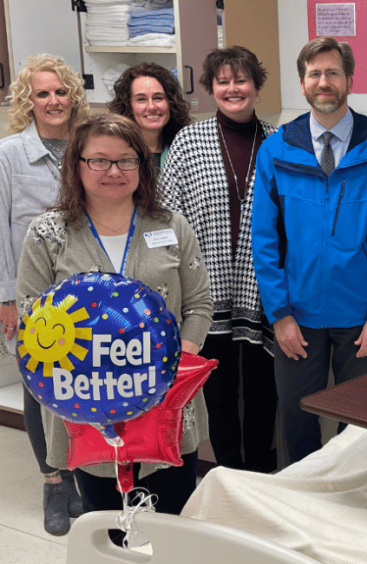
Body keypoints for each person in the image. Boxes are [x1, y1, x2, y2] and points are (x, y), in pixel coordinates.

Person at [16, 113, 212, 517]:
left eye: (127, 160)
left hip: (165, 403)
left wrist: (173, 364)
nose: (114, 171)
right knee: (106, 527)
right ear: (76, 165)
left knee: (174, 521)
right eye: (99, 160)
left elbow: (198, 305)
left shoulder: (170, 225)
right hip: (88, 413)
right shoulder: (48, 234)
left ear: (142, 165)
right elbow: (28, 322)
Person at [251, 37, 367, 466]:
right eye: (315, 74)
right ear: (303, 84)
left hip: (360, 317)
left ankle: (348, 502)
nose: (324, 82)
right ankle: (298, 502)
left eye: (333, 73)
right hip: (296, 316)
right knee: (296, 416)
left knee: (359, 423)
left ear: (349, 80)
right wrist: (279, 315)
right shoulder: (277, 150)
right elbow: (264, 240)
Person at [159, 46, 278, 472]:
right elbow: (167, 214)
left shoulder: (278, 142)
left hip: (264, 289)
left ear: (256, 86)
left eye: (241, 80)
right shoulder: (188, 142)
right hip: (205, 290)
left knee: (265, 388)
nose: (233, 89)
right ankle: (226, 470)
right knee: (219, 390)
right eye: (223, 81)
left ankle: (262, 470)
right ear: (211, 89)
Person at [0, 53, 88, 536]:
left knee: (82, 388)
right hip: (33, 297)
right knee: (41, 390)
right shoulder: (9, 155)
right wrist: (4, 298)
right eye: (42, 93)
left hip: (85, 298)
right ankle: (55, 481)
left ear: (73, 96)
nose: (54, 101)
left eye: (61, 91)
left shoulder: (88, 145)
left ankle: (83, 472)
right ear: (27, 101)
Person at [108, 62, 191, 172]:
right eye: (141, 99)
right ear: (128, 106)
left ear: (171, 103)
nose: (151, 107)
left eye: (158, 98)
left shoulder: (185, 150)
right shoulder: (115, 154)